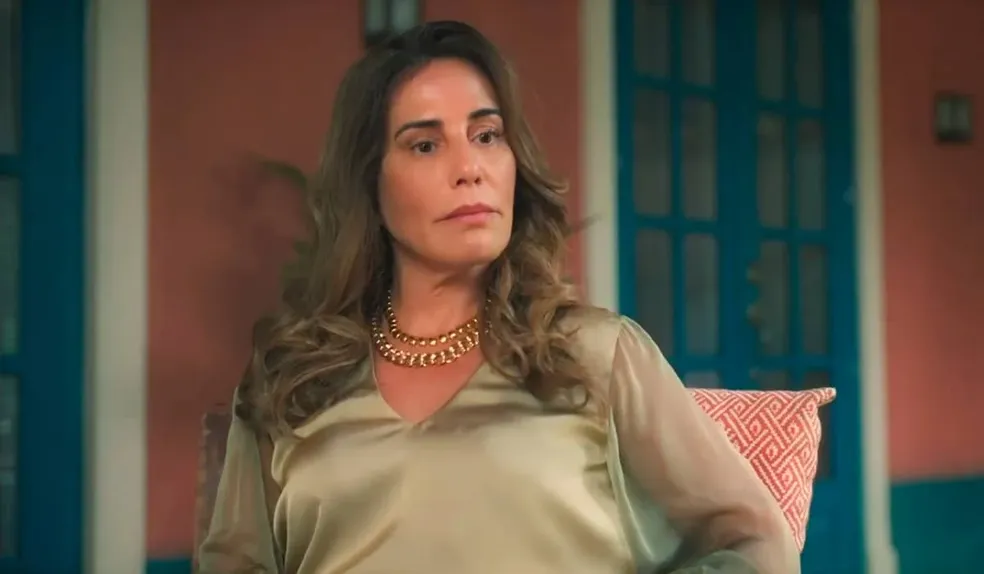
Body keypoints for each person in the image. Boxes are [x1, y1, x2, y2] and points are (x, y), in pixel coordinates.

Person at [198, 20, 799, 574]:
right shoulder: (290, 381)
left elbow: (755, 541)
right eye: (425, 145)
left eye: (486, 135)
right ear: (369, 182)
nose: (471, 168)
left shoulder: (595, 355)